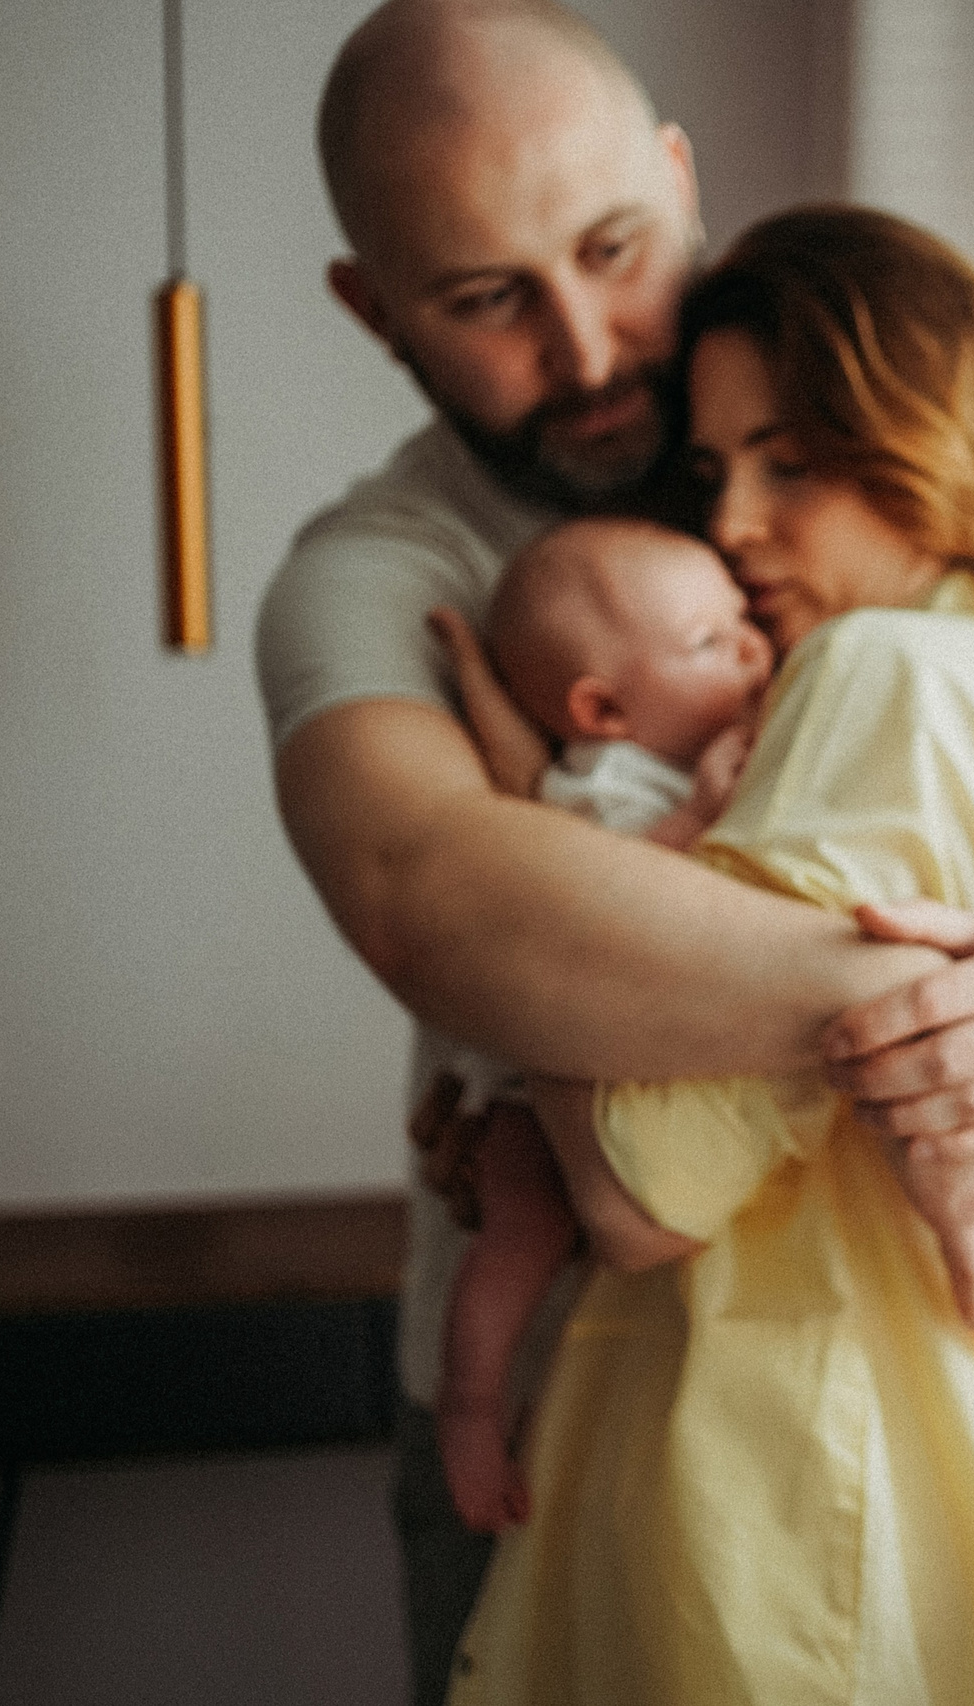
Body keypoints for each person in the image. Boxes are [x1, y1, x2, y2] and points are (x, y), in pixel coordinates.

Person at [255, 4, 974, 1700]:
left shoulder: (875, 470)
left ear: (677, 176)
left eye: (610, 247)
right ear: (375, 308)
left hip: (862, 1396)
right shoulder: (374, 573)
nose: (583, 345)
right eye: (489, 299)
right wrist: (943, 1031)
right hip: (547, 1383)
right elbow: (437, 896)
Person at [416, 516, 770, 1534]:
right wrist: (698, 819)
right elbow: (608, 896)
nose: (750, 650)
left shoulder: (628, 759)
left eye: (743, 623)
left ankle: (546, 1420)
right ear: (604, 707)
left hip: (627, 1074)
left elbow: (511, 759)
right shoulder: (617, 788)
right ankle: (472, 1408)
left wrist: (474, 671)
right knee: (521, 1236)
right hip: (536, 1085)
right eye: (712, 643)